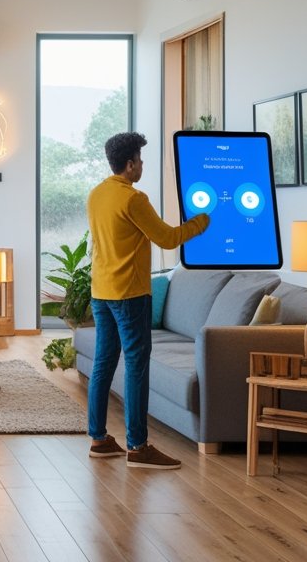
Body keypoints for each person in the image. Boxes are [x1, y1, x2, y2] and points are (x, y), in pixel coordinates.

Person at [86, 132, 210, 469]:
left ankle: (98, 438)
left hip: (102, 292)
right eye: (139, 160)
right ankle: (138, 447)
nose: (141, 165)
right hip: (129, 294)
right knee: (137, 367)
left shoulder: (96, 195)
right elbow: (168, 239)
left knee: (103, 363)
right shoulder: (133, 199)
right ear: (129, 165)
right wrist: (201, 222)